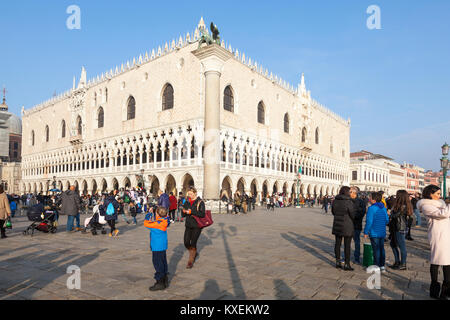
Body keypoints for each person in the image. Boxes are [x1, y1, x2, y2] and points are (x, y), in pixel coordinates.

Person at [417, 185, 450, 299]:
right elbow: (442, 214)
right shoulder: (426, 206)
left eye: (440, 194)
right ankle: (435, 289)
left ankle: (446, 289)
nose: (439, 196)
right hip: (438, 237)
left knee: (447, 263)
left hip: (447, 235)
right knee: (437, 261)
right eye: (437, 194)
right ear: (430, 194)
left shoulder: (442, 204)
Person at [145, 206, 171, 291]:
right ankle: (165, 278)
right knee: (163, 261)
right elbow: (166, 217)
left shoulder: (156, 224)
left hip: (157, 246)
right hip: (163, 246)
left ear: (157, 214)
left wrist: (149, 213)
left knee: (157, 263)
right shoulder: (165, 221)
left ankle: (160, 282)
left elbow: (146, 223)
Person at [364, 192, 390, 272]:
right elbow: (387, 220)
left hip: (374, 232)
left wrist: (365, 232)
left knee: (376, 250)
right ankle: (382, 266)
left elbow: (369, 221)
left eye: (370, 197)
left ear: (374, 200)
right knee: (381, 248)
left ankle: (376, 266)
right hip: (382, 232)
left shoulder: (371, 208)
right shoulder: (383, 208)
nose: (369, 199)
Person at [332, 186, 356, 271]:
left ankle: (338, 262)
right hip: (347, 226)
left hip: (337, 224)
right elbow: (352, 214)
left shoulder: (335, 201)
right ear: (346, 192)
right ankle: (347, 264)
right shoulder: (349, 202)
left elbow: (333, 212)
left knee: (337, 244)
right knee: (347, 245)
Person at [389, 190, 413, 270]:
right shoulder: (402, 205)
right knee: (393, 244)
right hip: (396, 227)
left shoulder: (403, 206)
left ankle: (403, 264)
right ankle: (397, 262)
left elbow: (396, 215)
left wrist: (390, 213)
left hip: (400, 228)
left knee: (401, 246)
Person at [182, 187, 205, 269]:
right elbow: (183, 214)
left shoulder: (200, 202)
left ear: (195, 193)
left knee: (193, 243)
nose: (189, 196)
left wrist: (192, 212)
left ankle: (190, 261)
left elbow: (202, 214)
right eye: (188, 194)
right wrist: (183, 212)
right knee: (186, 242)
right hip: (188, 225)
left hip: (197, 226)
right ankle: (194, 252)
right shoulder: (187, 202)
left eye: (191, 194)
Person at [351, 187, 366, 264]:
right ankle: (347, 257)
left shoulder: (360, 201)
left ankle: (357, 257)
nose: (349, 193)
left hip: (356, 224)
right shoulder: (348, 200)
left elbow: (362, 212)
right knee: (347, 242)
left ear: (354, 193)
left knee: (357, 241)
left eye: (350, 192)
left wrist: (352, 216)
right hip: (348, 225)